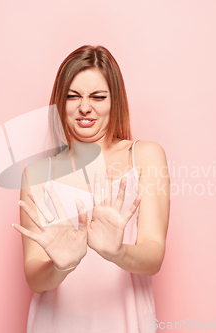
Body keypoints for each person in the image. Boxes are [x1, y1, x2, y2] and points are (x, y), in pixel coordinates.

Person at [12, 45, 170, 333]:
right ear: (60, 102)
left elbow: (154, 255)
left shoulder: (146, 157)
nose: (85, 107)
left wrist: (118, 252)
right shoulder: (35, 176)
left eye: (98, 97)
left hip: (125, 322)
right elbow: (35, 278)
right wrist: (60, 265)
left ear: (115, 100)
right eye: (73, 96)